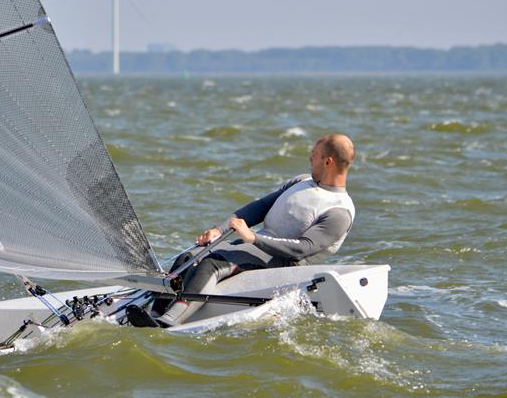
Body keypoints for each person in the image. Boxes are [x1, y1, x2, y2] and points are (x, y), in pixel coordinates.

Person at [127, 133, 357, 328]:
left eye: (314, 156)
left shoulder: (339, 211)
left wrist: (252, 237)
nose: (309, 159)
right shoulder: (302, 181)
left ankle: (168, 322)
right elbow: (261, 207)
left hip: (286, 262)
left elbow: (303, 249)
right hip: (255, 245)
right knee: (188, 257)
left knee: (211, 265)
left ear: (328, 162)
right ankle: (154, 313)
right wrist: (219, 229)